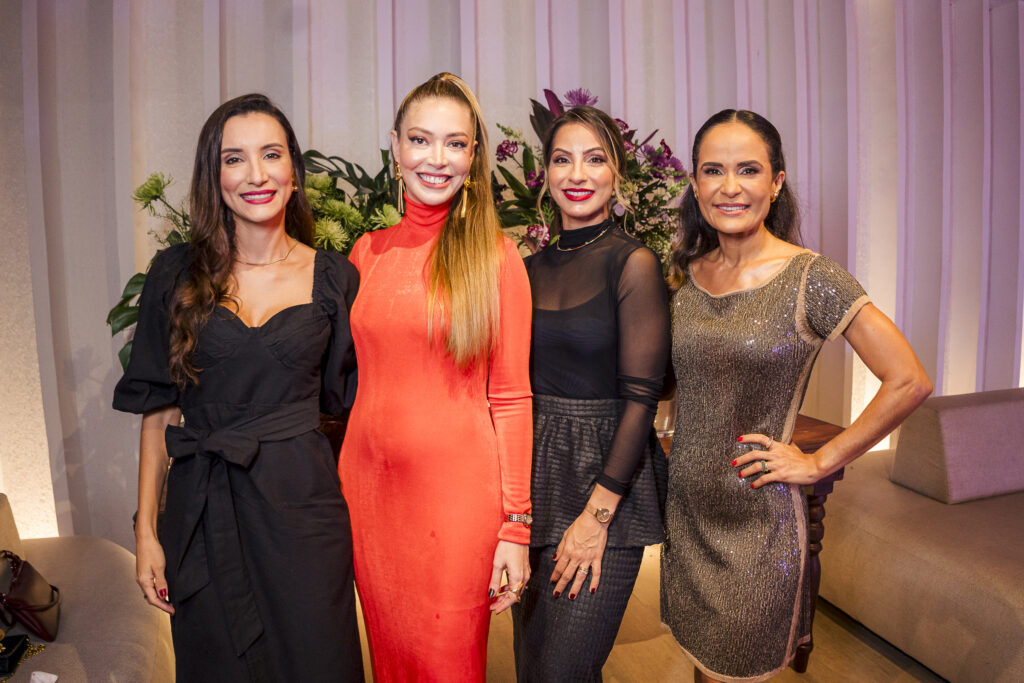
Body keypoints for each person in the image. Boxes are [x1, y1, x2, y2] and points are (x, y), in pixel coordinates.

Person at [661, 109, 932, 682]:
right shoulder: (684, 275)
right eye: (713, 170)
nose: (729, 187)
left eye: (748, 170)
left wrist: (819, 461)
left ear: (777, 181)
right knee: (701, 669)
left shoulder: (811, 278)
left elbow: (909, 379)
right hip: (686, 515)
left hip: (758, 528)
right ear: (694, 182)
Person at [113, 93, 363, 681]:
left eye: (270, 155)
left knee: (318, 662)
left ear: (294, 172)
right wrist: (146, 532)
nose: (256, 175)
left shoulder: (335, 278)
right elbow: (158, 411)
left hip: (303, 512)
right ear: (213, 175)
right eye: (235, 158)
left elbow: (347, 409)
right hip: (201, 506)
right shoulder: (175, 273)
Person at [338, 72, 533, 681]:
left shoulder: (497, 259)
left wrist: (516, 525)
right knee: (390, 662)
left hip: (455, 505)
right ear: (395, 146)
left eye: (455, 143)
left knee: (447, 665)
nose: (437, 158)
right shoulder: (364, 253)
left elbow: (511, 398)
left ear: (474, 155)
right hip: (367, 494)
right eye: (421, 140)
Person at [510, 106, 669, 681]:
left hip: (609, 483)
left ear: (616, 173)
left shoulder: (633, 264)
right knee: (533, 666)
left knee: (562, 671)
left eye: (594, 158)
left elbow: (641, 399)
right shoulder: (524, 269)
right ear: (545, 175)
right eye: (562, 158)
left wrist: (596, 517)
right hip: (534, 481)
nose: (577, 173)